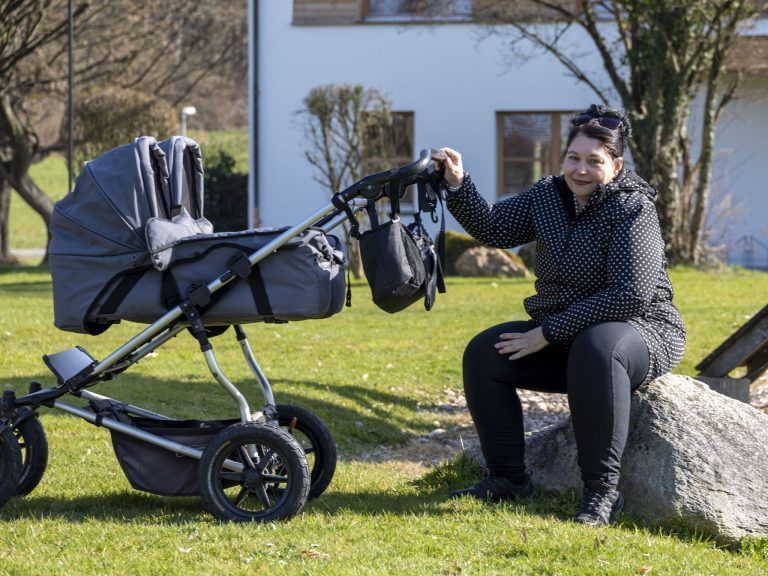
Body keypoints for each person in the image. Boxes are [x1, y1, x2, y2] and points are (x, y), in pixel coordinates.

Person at [440, 104, 685, 527]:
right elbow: (496, 227)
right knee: (485, 353)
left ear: (616, 165)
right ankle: (508, 481)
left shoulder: (633, 209)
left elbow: (632, 294)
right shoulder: (548, 195)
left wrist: (547, 333)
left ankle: (602, 495)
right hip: (569, 334)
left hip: (641, 331)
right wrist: (458, 184)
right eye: (573, 158)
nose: (581, 169)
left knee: (598, 348)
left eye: (595, 161)